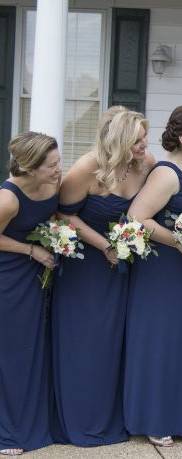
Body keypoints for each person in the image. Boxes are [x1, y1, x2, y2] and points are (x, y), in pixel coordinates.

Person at [51, 108, 156, 446]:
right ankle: (78, 420)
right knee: (85, 342)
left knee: (113, 342)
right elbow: (63, 217)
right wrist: (104, 247)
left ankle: (113, 417)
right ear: (119, 140)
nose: (144, 146)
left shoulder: (146, 164)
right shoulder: (87, 168)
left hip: (122, 267)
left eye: (144, 138)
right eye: (137, 140)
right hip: (86, 268)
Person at [123, 105, 182, 447]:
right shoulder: (167, 174)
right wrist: (180, 242)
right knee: (161, 340)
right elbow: (137, 217)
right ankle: (155, 417)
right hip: (163, 266)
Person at [0, 132, 60, 456]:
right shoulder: (7, 199)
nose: (58, 169)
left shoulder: (53, 183)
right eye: (51, 165)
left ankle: (34, 420)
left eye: (58, 161)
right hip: (8, 276)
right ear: (30, 168)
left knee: (35, 347)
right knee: (12, 352)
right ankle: (7, 432)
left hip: (37, 271)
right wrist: (30, 250)